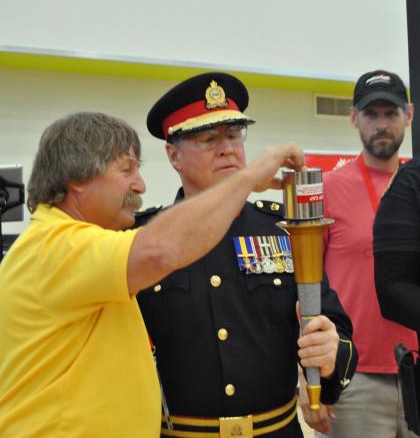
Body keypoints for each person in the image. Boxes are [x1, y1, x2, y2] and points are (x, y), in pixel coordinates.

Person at [0, 111, 309, 437]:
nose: (141, 184)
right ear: (77, 180)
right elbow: (160, 251)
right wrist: (247, 177)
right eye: (126, 171)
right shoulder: (57, 247)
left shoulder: (69, 243)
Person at [135, 71, 357, 438]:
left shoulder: (283, 231)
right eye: (209, 139)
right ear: (173, 156)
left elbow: (338, 330)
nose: (227, 149)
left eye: (234, 135)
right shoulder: (144, 239)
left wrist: (330, 354)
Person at [300, 70, 416, 438]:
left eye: (391, 113)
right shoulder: (327, 189)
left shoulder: (416, 187)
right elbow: (304, 289)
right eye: (371, 114)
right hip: (354, 380)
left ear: (409, 116)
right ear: (353, 117)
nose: (381, 124)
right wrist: (310, 378)